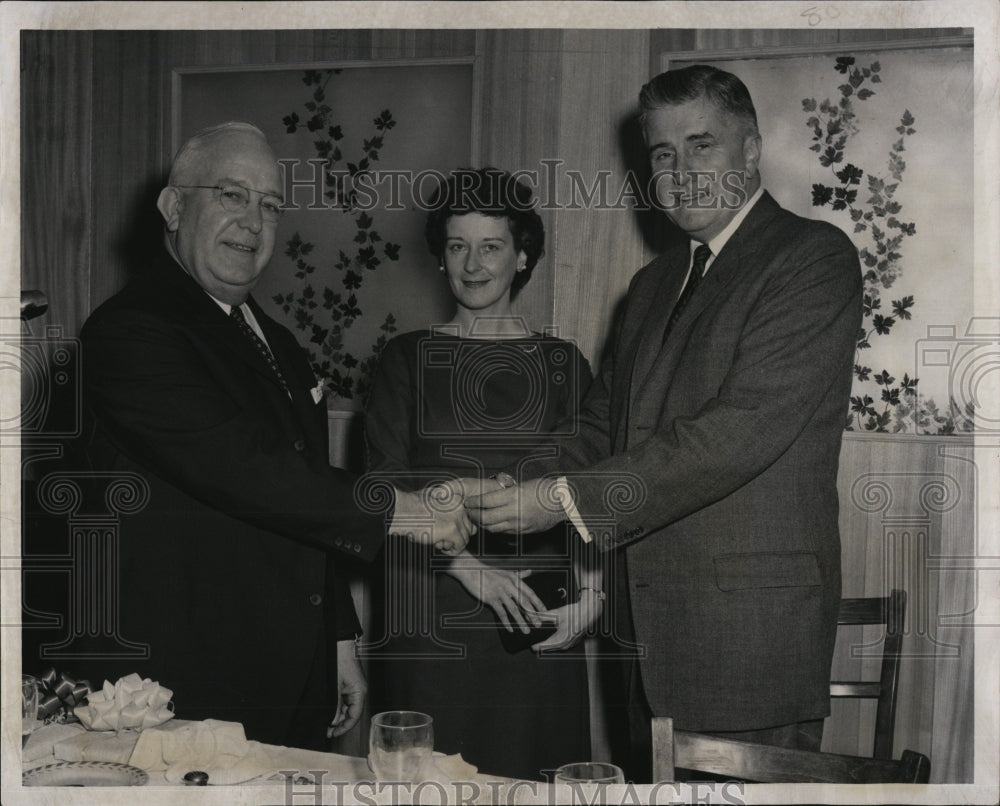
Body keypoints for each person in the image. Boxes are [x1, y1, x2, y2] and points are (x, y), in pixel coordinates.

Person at [468, 66, 863, 779]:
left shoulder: (812, 258)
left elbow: (738, 431)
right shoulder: (651, 286)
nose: (679, 172)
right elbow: (601, 423)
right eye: (661, 153)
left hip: (747, 648)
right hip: (640, 644)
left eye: (701, 145)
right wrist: (514, 482)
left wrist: (561, 499)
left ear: (750, 152)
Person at [77, 122, 472, 750]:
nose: (253, 223)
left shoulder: (278, 343)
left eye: (269, 205)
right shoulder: (130, 332)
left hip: (294, 674)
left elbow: (303, 487)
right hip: (183, 682)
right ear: (175, 207)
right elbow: (246, 468)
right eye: (232, 196)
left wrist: (339, 640)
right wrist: (402, 510)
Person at [363, 168, 600, 780]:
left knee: (534, 778)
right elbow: (382, 488)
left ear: (522, 256)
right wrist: (471, 571)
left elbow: (593, 494)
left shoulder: (562, 365)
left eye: (491, 246)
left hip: (536, 620)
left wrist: (593, 598)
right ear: (440, 257)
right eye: (457, 246)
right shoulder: (403, 360)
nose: (472, 263)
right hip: (432, 612)